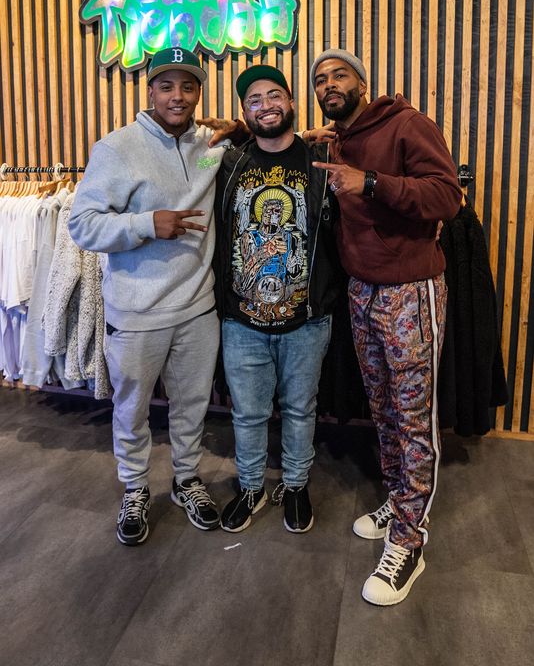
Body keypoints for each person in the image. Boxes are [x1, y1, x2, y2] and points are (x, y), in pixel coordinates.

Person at [311, 49, 462, 605]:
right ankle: (400, 500)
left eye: (339, 75)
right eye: (320, 79)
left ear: (362, 83)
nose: (329, 84)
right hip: (362, 291)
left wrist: (371, 183)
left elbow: (447, 196)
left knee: (413, 417)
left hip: (409, 291)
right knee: (383, 409)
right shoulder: (338, 138)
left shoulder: (407, 124)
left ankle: (410, 541)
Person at [68, 47, 230, 546]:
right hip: (136, 312)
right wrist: (145, 224)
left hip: (198, 307)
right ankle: (135, 487)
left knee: (192, 404)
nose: (177, 96)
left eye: (188, 86)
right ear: (151, 90)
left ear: (198, 92)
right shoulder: (117, 148)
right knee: (132, 408)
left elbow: (247, 145)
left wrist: (255, 132)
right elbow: (82, 225)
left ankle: (186, 479)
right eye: (167, 86)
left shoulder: (209, 145)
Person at [215, 64, 340, 534]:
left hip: (306, 319)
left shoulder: (321, 158)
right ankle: (251, 487)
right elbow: (189, 166)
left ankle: (295, 484)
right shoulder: (226, 162)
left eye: (274, 96)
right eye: (254, 100)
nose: (265, 106)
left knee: (300, 409)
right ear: (244, 111)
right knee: (247, 413)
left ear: (290, 100)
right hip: (241, 320)